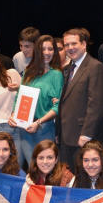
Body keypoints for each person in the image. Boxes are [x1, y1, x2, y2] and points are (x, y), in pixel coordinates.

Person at [56, 28, 103, 171]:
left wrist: (86, 134)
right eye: (67, 45)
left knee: (85, 178)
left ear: (84, 44)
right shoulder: (67, 69)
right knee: (68, 178)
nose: (70, 48)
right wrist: (58, 133)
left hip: (84, 138)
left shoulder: (95, 67)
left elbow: (97, 105)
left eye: (74, 44)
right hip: (66, 136)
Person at [9, 35, 64, 170]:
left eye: (50, 49)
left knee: (45, 170)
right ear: (37, 51)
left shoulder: (57, 74)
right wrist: (13, 115)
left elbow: (58, 106)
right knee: (32, 169)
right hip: (24, 127)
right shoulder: (28, 71)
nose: (47, 52)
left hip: (44, 129)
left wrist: (38, 123)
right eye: (43, 49)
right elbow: (19, 97)